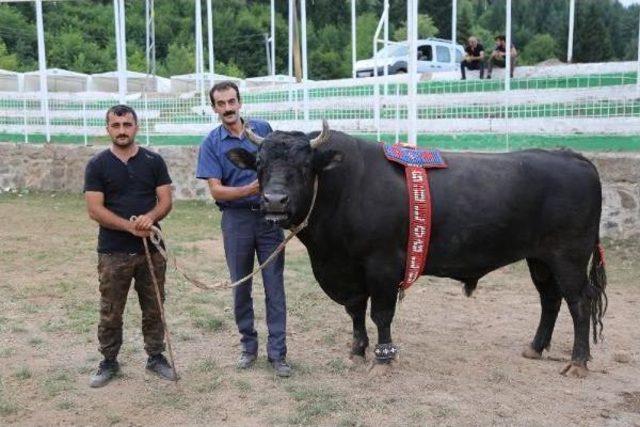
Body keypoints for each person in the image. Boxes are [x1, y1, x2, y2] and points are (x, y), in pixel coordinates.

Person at [195, 81, 291, 378]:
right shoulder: (211, 143)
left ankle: (278, 355)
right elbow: (217, 192)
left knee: (275, 288)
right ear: (214, 108)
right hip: (236, 222)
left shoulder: (263, 128)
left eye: (231, 101)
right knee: (241, 287)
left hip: (268, 220)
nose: (228, 108)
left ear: (240, 102)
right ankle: (248, 348)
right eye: (221, 104)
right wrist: (251, 189)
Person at [84, 105, 175, 388]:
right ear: (108, 129)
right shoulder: (97, 165)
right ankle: (109, 360)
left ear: (136, 127)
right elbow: (94, 210)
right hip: (113, 251)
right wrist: (130, 226)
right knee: (111, 309)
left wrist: (150, 218)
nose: (122, 130)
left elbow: (165, 201)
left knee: (155, 306)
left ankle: (156, 356)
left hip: (151, 251)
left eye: (127, 124)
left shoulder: (153, 161)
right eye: (116, 125)